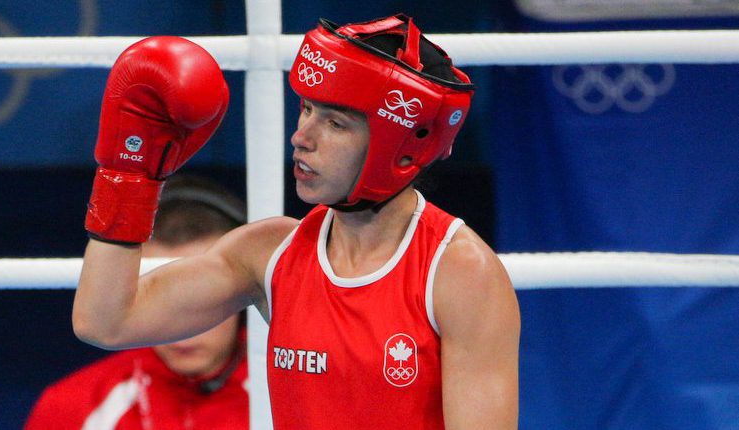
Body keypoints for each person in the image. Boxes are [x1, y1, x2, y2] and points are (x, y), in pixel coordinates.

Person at [73, 15, 520, 430]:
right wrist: (129, 175)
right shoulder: (270, 252)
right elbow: (106, 322)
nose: (301, 137)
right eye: (307, 109)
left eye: (335, 123)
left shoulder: (459, 274)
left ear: (398, 145)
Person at [26, 174, 249, 430]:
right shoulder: (71, 406)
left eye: (202, 298)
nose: (182, 335)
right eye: (159, 296)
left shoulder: (293, 390)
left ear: (244, 289)